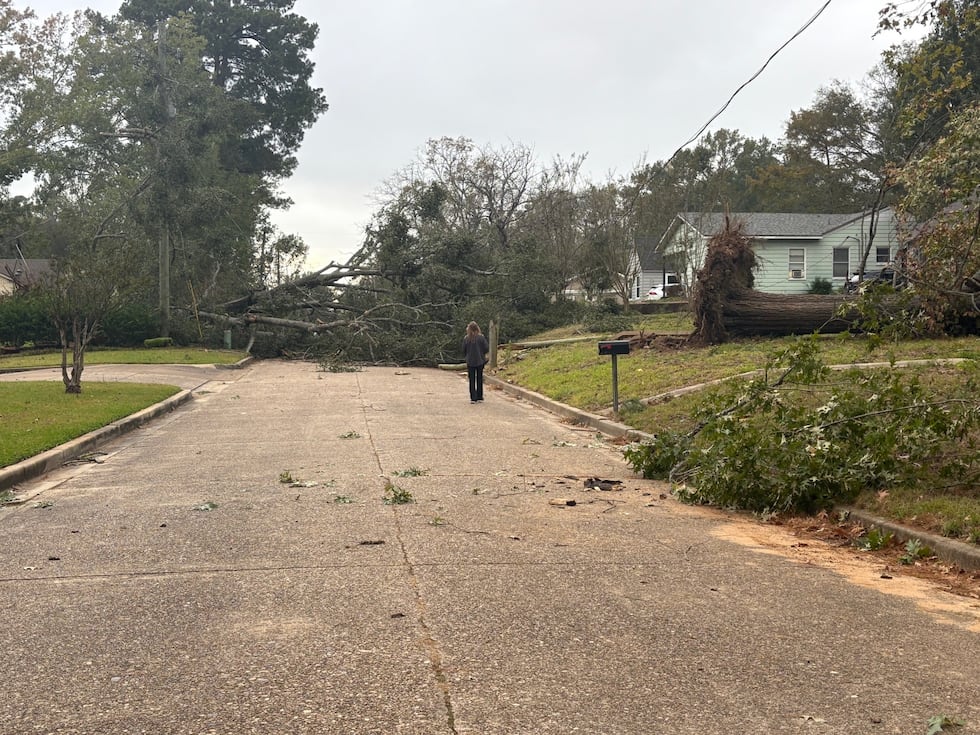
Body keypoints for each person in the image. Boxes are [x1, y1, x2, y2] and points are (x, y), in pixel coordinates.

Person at [462, 321, 490, 403]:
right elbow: (486, 348)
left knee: (472, 380)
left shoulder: (466, 338)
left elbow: (463, 349)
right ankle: (479, 396)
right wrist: (482, 354)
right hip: (480, 361)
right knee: (479, 378)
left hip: (470, 361)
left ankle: (473, 398)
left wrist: (467, 356)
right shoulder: (481, 337)